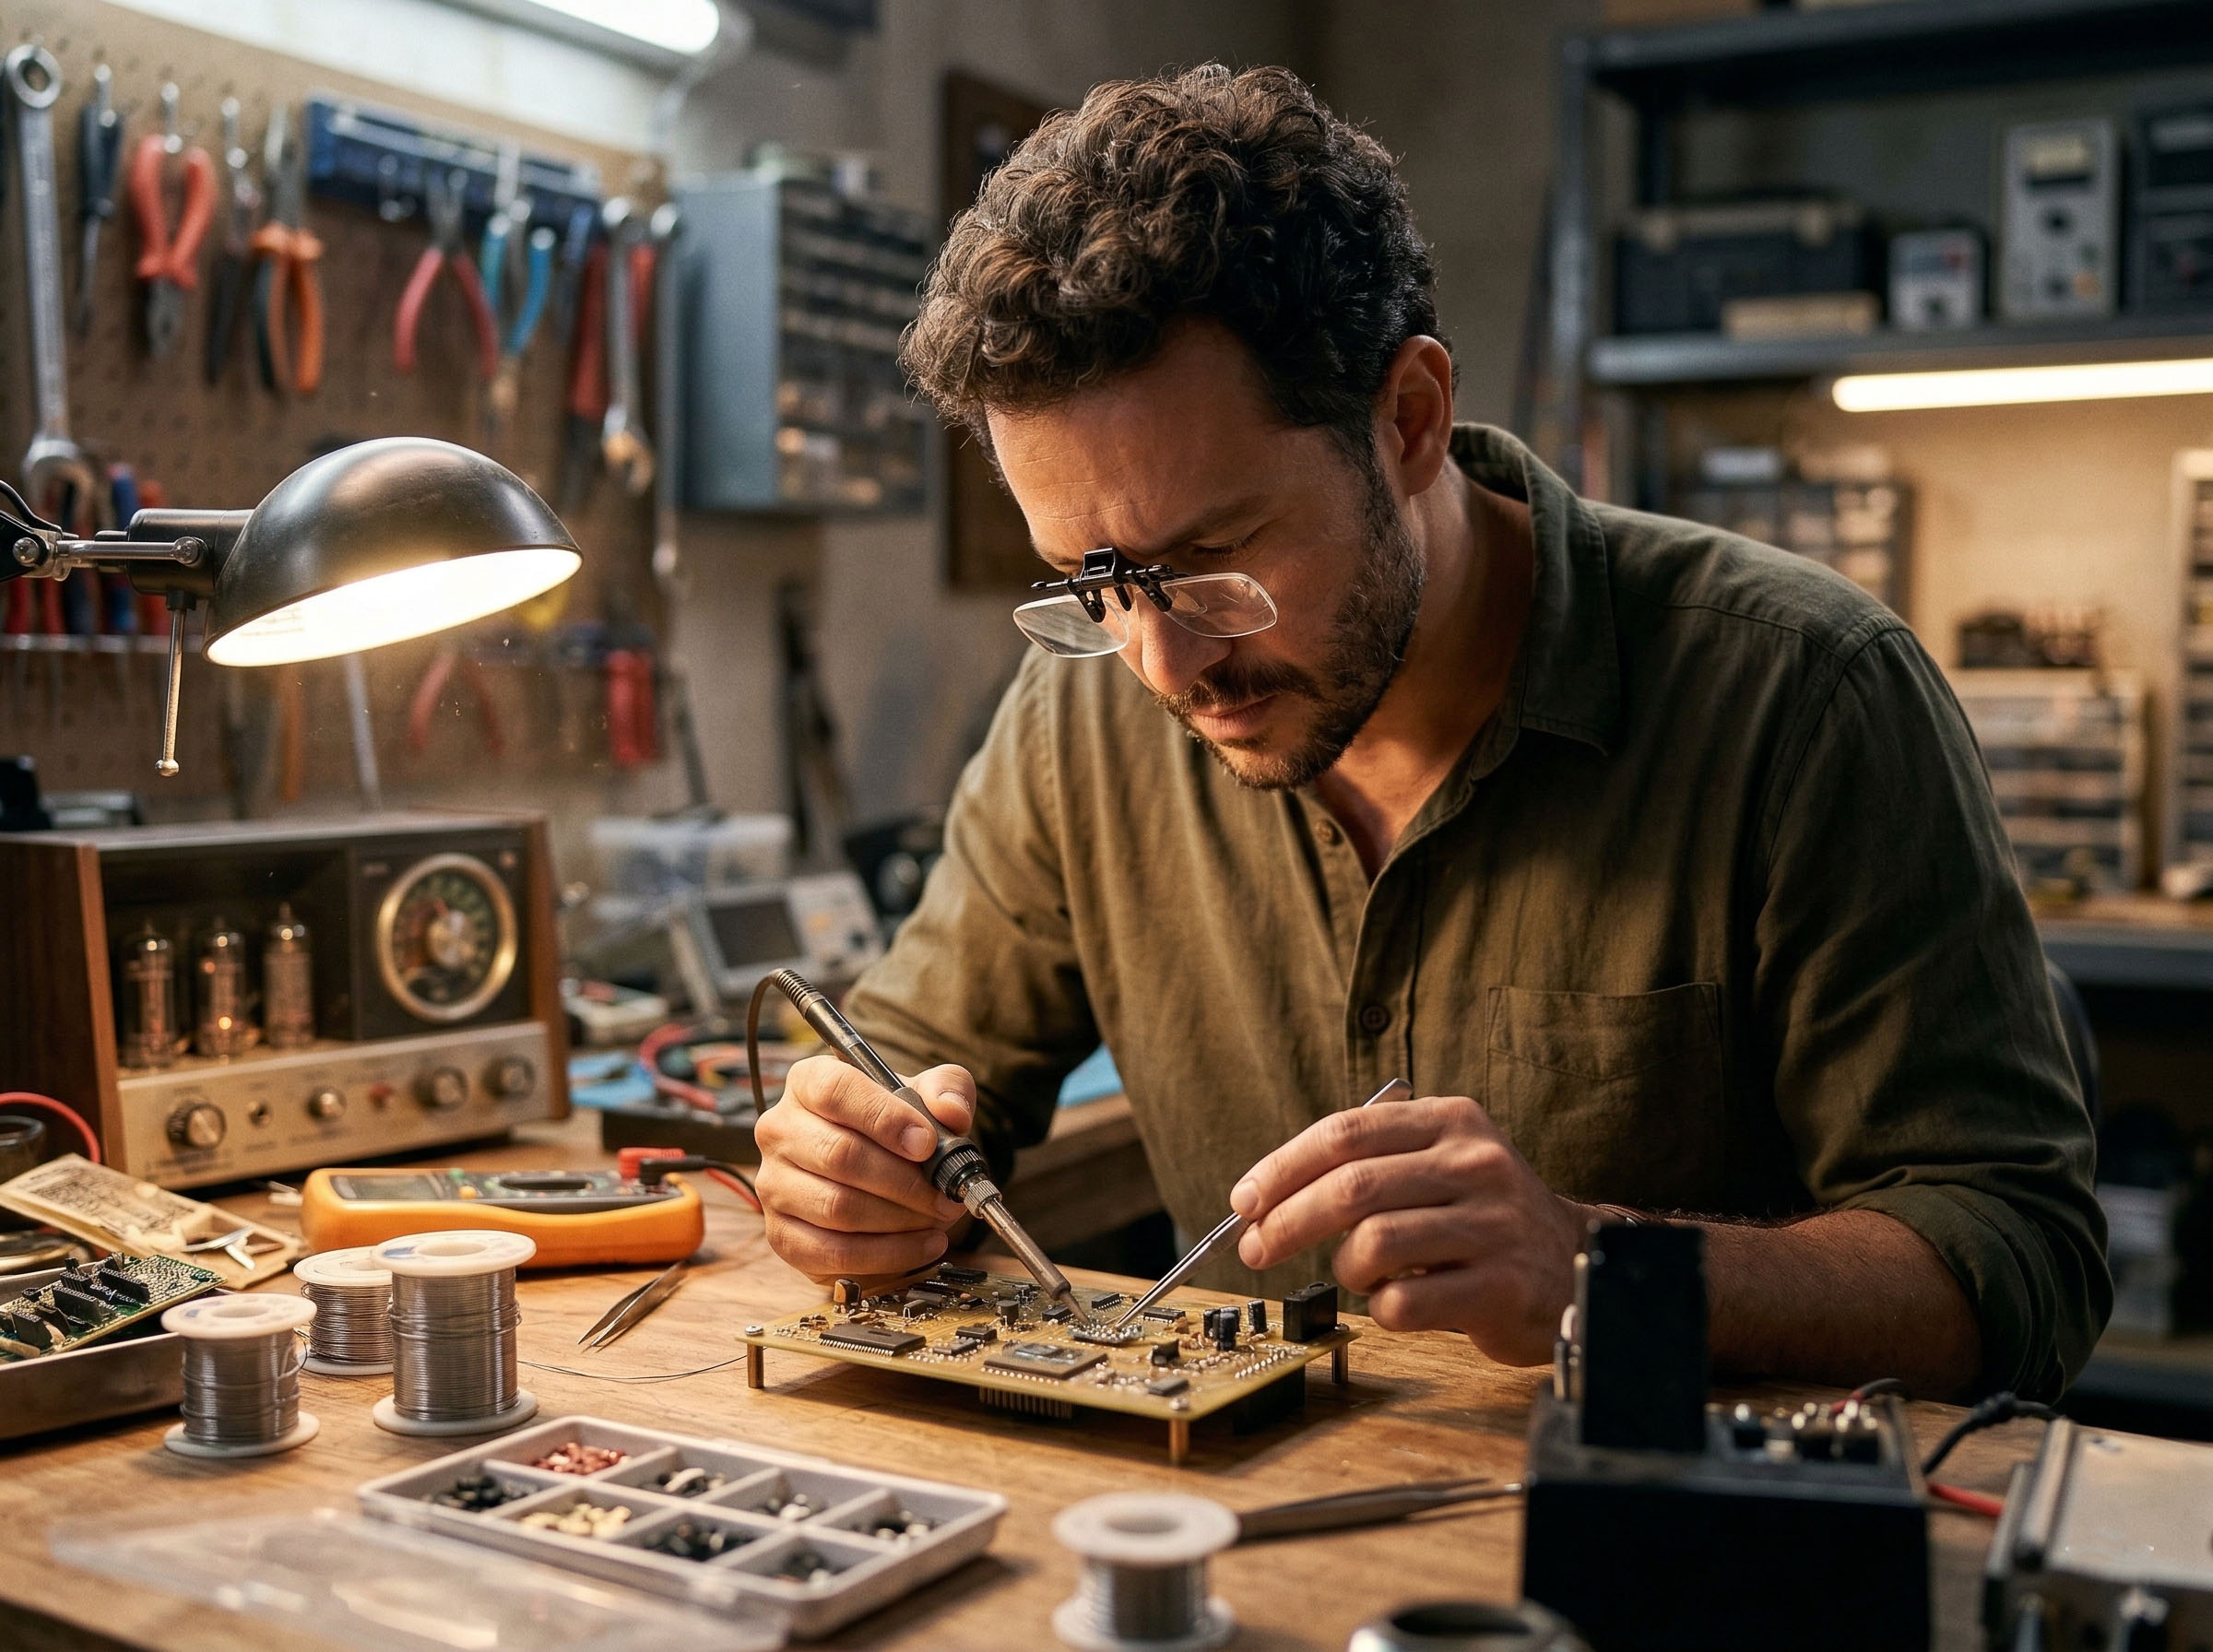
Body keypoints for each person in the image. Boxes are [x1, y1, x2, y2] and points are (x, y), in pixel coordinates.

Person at [751, 65, 2108, 1400]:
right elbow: (902, 1070)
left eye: (1214, 559)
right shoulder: (1080, 713)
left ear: (1407, 419)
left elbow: (2019, 1261)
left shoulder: (1804, 699)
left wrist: (1597, 1267)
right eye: (1095, 583)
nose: (1167, 663)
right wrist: (852, 1166)